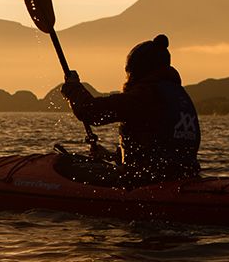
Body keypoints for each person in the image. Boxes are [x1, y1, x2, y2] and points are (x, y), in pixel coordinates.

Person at [60, 34, 201, 179]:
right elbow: (159, 148)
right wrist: (112, 155)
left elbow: (92, 112)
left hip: (148, 182)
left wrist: (73, 87)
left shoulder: (146, 95)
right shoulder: (179, 96)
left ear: (138, 70)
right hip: (184, 178)